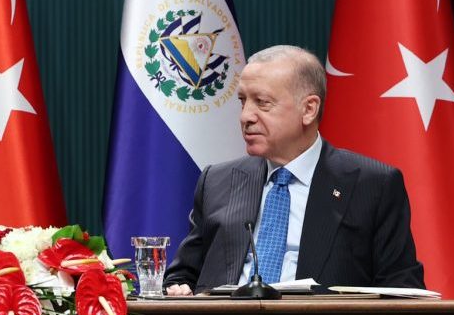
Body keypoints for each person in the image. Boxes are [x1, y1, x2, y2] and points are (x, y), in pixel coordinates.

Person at [164, 45, 424, 295]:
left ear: (309, 109)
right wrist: (179, 289)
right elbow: (182, 277)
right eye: (243, 101)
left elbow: (402, 289)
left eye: (262, 102)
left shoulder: (372, 185)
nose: (245, 116)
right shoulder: (217, 181)